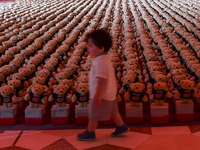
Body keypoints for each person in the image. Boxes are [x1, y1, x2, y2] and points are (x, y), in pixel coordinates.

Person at [77, 29, 128, 141]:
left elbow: (101, 79)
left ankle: (90, 132)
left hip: (102, 95)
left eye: (90, 46)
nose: (88, 49)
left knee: (94, 114)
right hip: (109, 93)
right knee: (113, 111)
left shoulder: (99, 62)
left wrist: (97, 96)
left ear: (101, 48)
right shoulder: (104, 59)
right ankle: (121, 126)